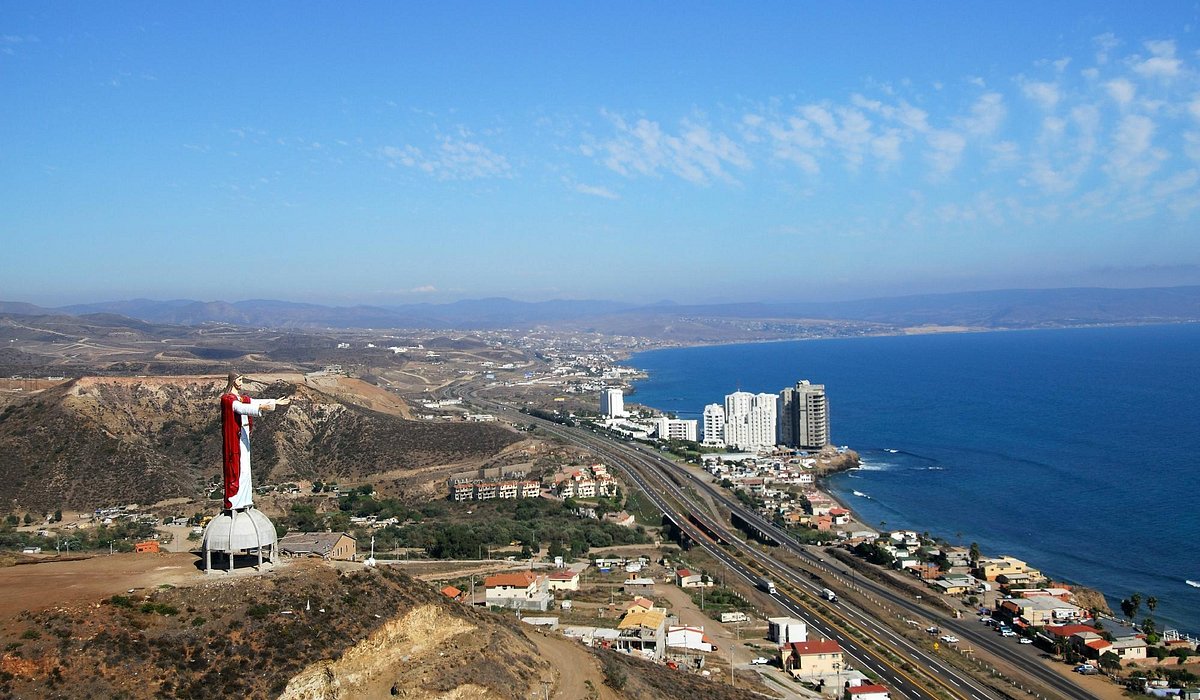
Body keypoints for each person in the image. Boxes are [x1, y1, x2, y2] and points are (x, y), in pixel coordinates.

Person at [220, 372, 290, 511]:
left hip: (243, 436)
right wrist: (260, 408)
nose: (241, 382)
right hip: (235, 438)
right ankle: (234, 500)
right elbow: (240, 408)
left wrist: (275, 402)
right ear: (233, 381)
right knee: (237, 468)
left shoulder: (241, 398)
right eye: (240, 380)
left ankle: (245, 498)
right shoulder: (227, 399)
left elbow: (254, 401)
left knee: (245, 469)